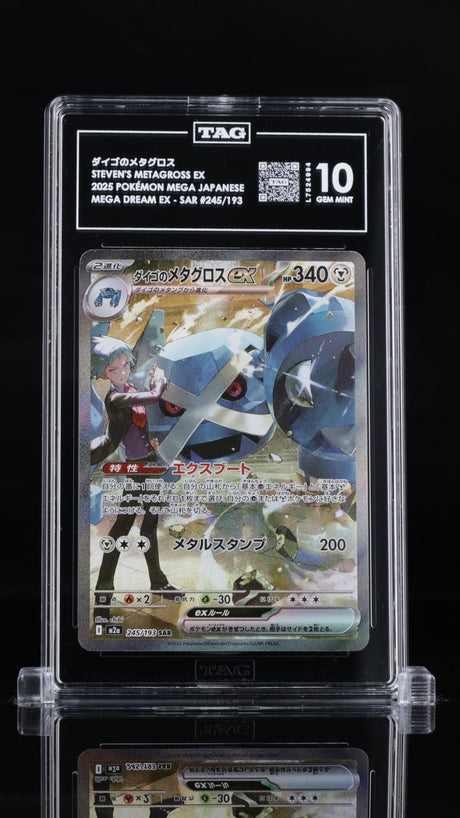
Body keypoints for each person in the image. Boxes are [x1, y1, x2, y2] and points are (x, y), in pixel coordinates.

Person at [91, 335, 175, 592]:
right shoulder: (116, 398)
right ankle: (105, 588)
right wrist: (159, 380)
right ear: (104, 374)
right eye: (114, 369)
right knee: (122, 527)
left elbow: (140, 420)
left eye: (125, 365)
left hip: (148, 465)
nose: (122, 372)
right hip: (137, 469)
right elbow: (153, 395)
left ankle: (158, 582)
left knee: (148, 524)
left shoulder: (129, 390)